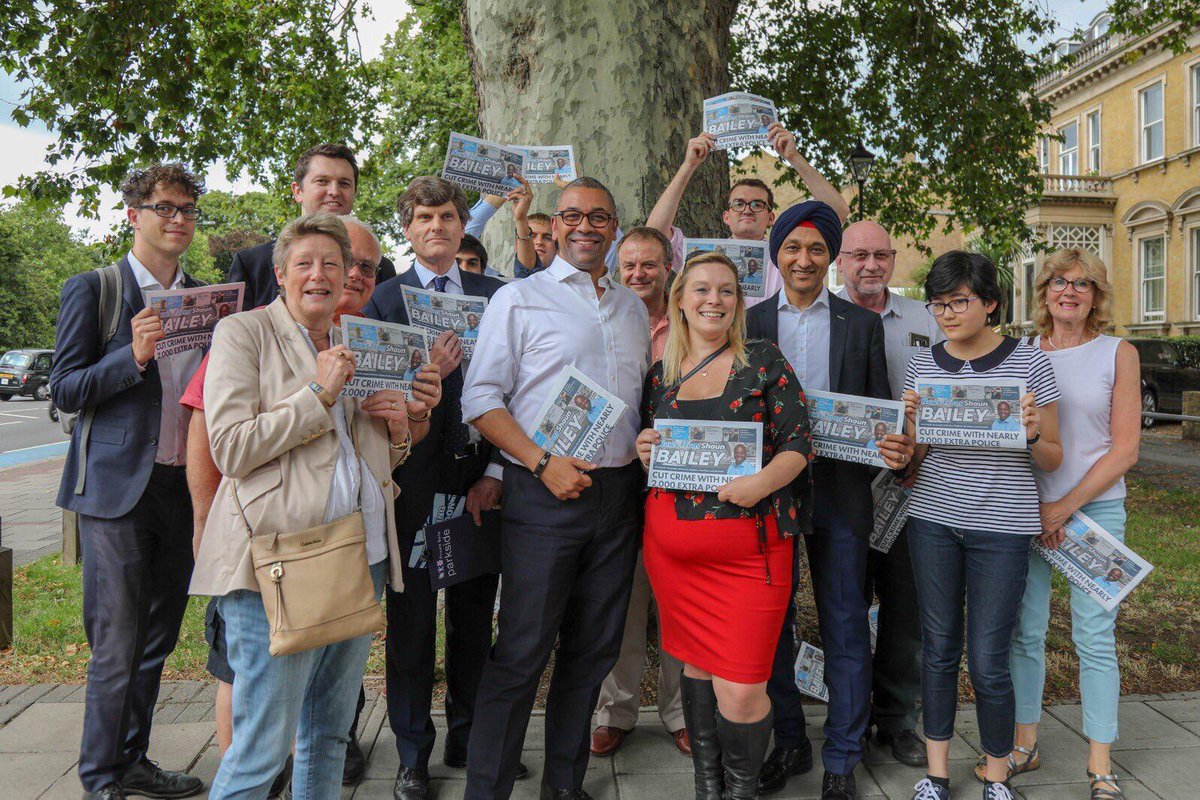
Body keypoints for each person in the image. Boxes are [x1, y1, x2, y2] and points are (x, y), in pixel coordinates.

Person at [190, 213, 440, 800]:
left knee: (328, 736)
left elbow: (374, 458)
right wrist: (319, 394)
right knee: (260, 749)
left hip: (360, 554)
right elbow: (230, 447)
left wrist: (410, 419)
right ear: (280, 274)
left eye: (334, 264)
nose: (320, 275)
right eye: (304, 263)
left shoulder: (355, 338)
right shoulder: (243, 334)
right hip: (277, 562)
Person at [461, 176, 651, 800]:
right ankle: (487, 789)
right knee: (520, 653)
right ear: (556, 225)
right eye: (573, 216)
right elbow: (481, 400)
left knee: (590, 654)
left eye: (599, 216)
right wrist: (542, 464)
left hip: (618, 498)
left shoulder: (631, 307)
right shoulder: (517, 300)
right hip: (543, 497)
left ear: (615, 225)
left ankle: (563, 787)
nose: (586, 226)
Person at [746, 202, 912, 800]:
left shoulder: (861, 325)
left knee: (844, 621)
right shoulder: (751, 321)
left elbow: (878, 406)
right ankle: (790, 740)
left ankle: (843, 752)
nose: (804, 259)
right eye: (793, 247)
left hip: (843, 494)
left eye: (817, 249)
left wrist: (891, 442)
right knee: (774, 623)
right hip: (770, 495)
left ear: (831, 259)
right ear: (777, 254)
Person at [52, 163, 207, 800]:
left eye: (189, 210)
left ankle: (132, 759)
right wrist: (132, 356)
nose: (178, 219)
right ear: (133, 215)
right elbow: (64, 389)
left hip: (182, 483)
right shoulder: (96, 289)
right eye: (165, 207)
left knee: (159, 635)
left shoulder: (207, 297)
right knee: (116, 639)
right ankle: (99, 777)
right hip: (115, 492)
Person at [361, 176, 516, 800]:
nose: (437, 227)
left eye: (448, 216)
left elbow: (520, 387)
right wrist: (429, 373)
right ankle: (412, 754)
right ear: (409, 228)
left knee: (476, 619)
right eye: (425, 217)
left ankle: (469, 735)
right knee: (412, 623)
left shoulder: (498, 294)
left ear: (462, 225)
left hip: (479, 479)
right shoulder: (384, 299)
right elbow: (370, 394)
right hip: (411, 486)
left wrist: (499, 472)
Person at [636, 251, 814, 799]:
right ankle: (708, 788)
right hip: (672, 554)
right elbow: (657, 451)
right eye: (702, 290)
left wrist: (759, 484)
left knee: (741, 689)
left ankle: (739, 791)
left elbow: (800, 444)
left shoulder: (763, 360)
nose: (714, 300)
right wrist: (646, 449)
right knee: (695, 667)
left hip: (750, 555)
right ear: (680, 301)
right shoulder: (659, 376)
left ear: (738, 303)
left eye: (726, 291)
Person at [899, 251, 1062, 800]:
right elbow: (915, 459)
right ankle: (937, 772)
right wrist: (904, 441)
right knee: (939, 648)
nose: (946, 313)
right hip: (933, 521)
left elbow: (1053, 458)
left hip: (1003, 527)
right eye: (938, 303)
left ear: (990, 303)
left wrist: (1036, 433)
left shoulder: (1030, 362)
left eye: (959, 302)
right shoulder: (925, 364)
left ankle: (996, 773)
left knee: (990, 657)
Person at [1006, 248, 1140, 800]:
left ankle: (1100, 761)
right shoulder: (1017, 354)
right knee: (1024, 633)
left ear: (1097, 295)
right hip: (1026, 512)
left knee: (1094, 635)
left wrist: (1065, 508)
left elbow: (1126, 448)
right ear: (1043, 294)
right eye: (1058, 281)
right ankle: (1025, 744)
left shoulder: (1118, 353)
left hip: (1096, 510)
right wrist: (1040, 507)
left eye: (1082, 284)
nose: (1069, 291)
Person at [835, 220, 943, 768]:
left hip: (913, 485)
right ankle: (848, 716)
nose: (870, 265)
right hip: (843, 486)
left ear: (894, 260)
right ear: (840, 261)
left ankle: (898, 718)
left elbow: (951, 394)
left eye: (880, 255)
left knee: (906, 609)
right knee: (846, 605)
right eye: (858, 255)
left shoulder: (926, 319)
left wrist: (917, 454)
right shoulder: (823, 316)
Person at [591, 226, 690, 759]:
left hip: (684, 482)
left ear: (668, 268)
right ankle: (616, 712)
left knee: (676, 599)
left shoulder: (691, 323)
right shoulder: (607, 320)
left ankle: (680, 712)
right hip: (620, 478)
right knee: (621, 599)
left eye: (649, 264)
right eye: (628, 266)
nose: (638, 275)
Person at [647, 124, 850, 307]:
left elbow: (837, 212)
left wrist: (794, 157)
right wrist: (688, 165)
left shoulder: (786, 257)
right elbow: (654, 236)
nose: (747, 209)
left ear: (771, 218)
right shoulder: (704, 255)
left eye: (757, 204)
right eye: (739, 204)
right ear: (726, 216)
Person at [229, 144, 397, 309]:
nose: (334, 191)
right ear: (297, 191)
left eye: (344, 183)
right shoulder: (251, 264)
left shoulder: (380, 270)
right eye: (322, 181)